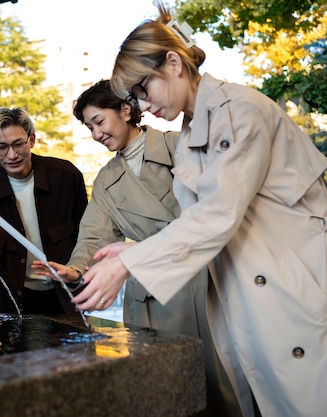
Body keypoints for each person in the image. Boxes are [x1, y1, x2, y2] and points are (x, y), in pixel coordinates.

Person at [72, 4, 327, 417]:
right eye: (135, 97)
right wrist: (127, 253)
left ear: (173, 63)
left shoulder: (238, 109)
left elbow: (220, 212)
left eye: (144, 91)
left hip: (310, 281)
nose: (143, 106)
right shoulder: (192, 129)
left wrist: (133, 262)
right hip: (266, 292)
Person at [32, 79, 241, 416]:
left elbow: (220, 207)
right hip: (153, 295)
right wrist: (74, 269)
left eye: (99, 122)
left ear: (126, 111)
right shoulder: (105, 180)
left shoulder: (180, 146)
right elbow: (94, 237)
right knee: (165, 390)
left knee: (224, 385)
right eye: (89, 128)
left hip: (210, 281)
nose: (96, 134)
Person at [0, 107, 88, 315]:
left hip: (68, 295)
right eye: (1, 147)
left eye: (18, 144)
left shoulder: (66, 176)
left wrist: (81, 272)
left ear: (31, 140)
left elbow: (87, 233)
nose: (12, 155)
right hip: (17, 298)